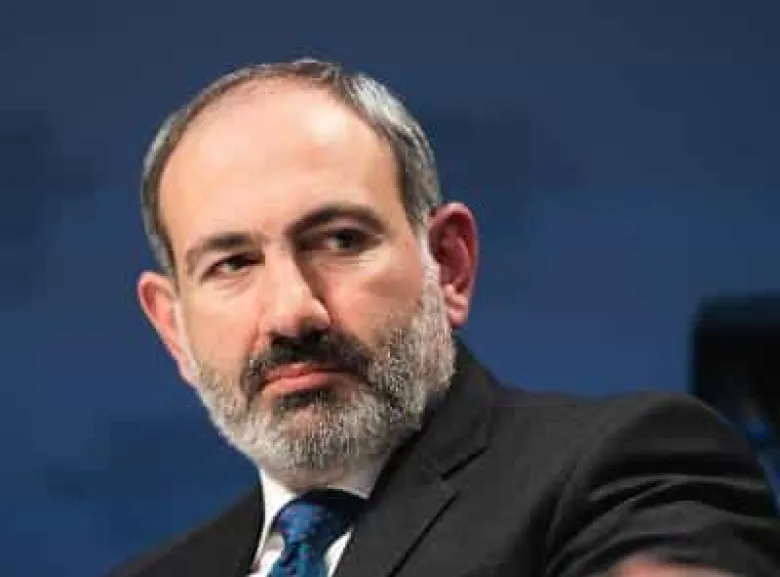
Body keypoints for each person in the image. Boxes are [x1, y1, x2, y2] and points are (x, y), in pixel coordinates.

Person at [111, 58, 780, 577]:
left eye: (340, 240)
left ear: (449, 264)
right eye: (232, 263)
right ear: (173, 327)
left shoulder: (627, 471)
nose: (292, 312)